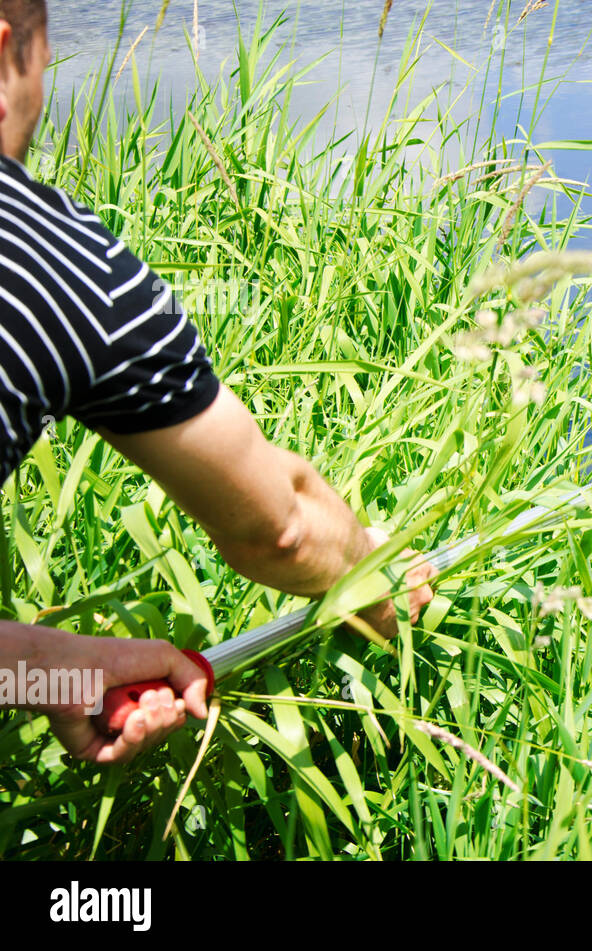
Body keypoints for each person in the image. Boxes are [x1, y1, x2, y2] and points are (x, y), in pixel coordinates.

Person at [0, 1, 434, 764]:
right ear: (4, 49)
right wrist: (374, 578)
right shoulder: (65, 267)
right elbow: (280, 529)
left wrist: (41, 670)